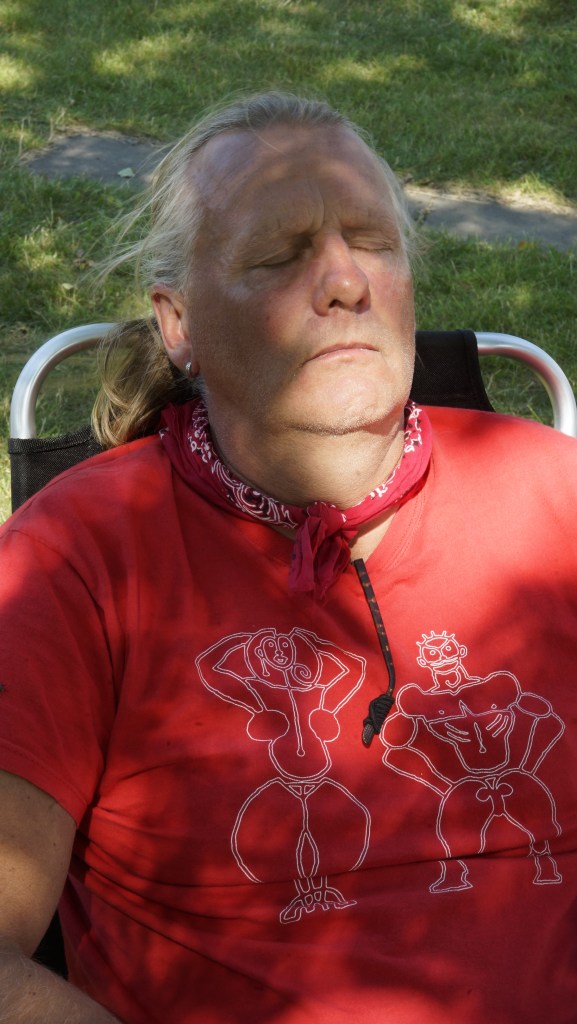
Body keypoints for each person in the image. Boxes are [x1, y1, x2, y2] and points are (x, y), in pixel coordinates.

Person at [0, 91, 576, 1024]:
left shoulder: (555, 499)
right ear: (178, 323)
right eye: (277, 256)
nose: (344, 280)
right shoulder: (78, 560)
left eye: (373, 241)